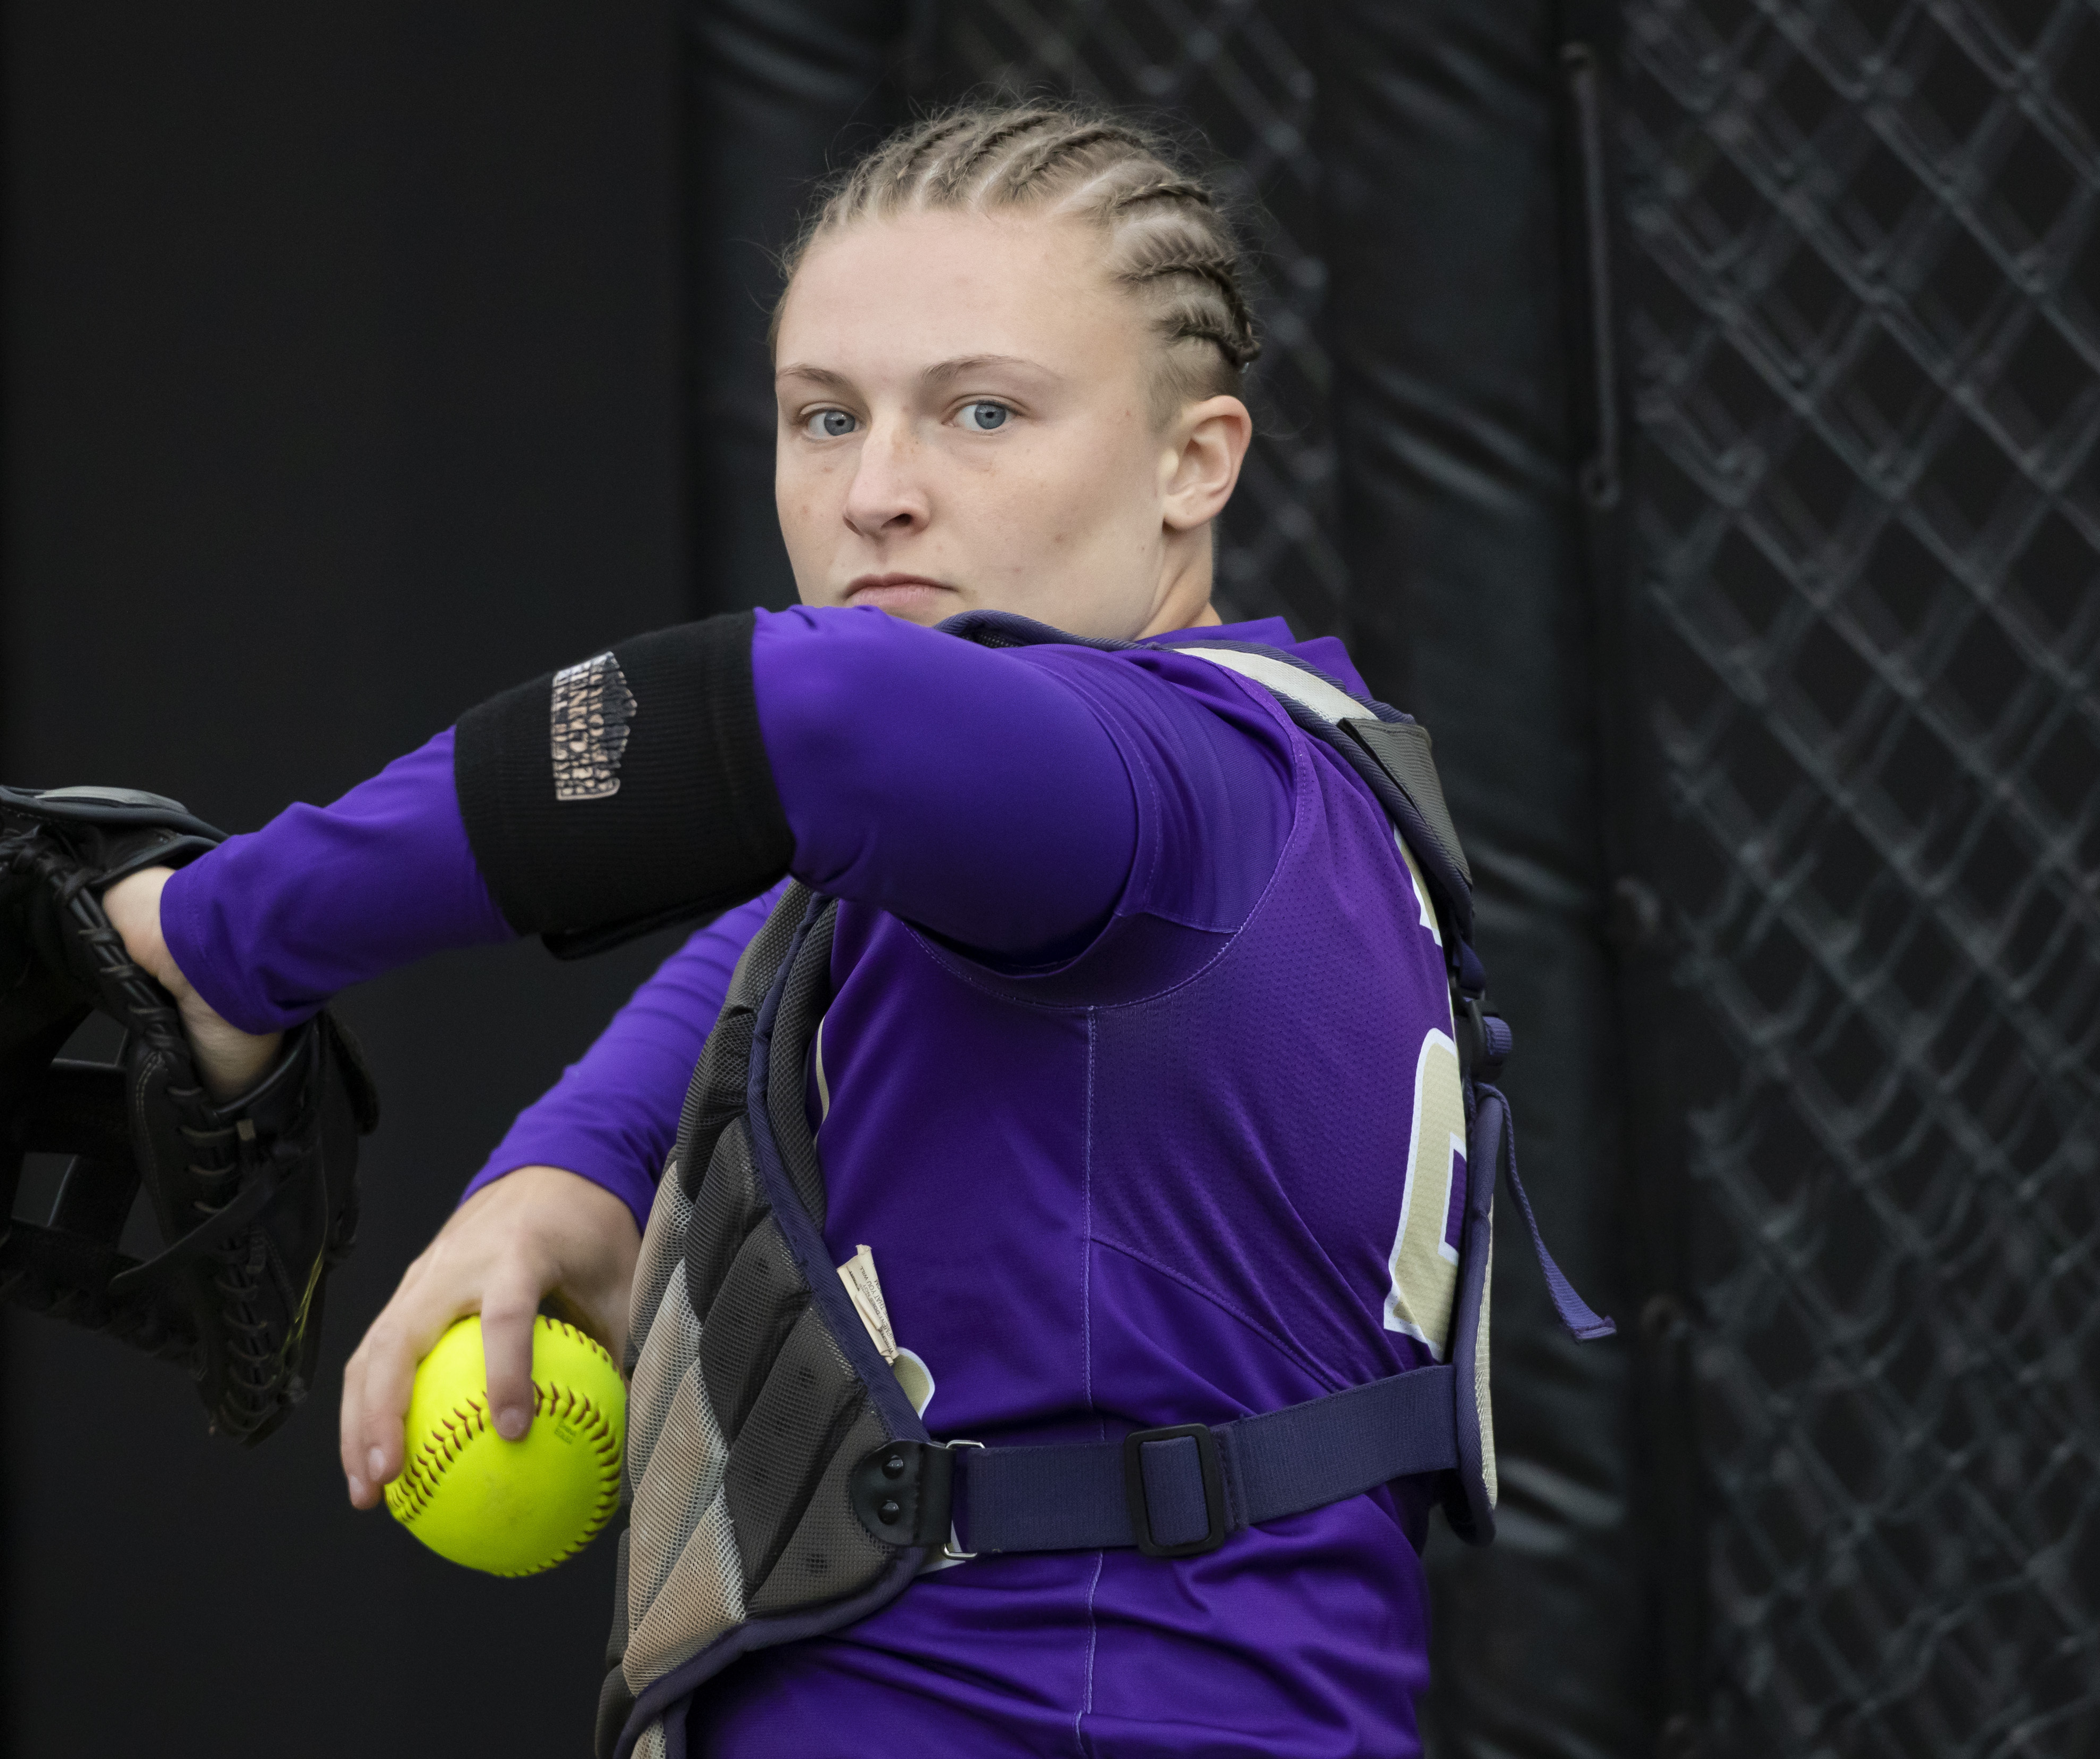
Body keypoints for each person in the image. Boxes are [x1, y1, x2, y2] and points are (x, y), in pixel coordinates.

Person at [103, 103, 1488, 1757]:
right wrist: (574, 1171)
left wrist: (224, 934)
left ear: (1195, 460)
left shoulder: (1149, 782)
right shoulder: (1239, 776)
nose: (876, 492)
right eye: (823, 418)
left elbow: (809, 717)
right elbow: (800, 921)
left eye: (983, 411)